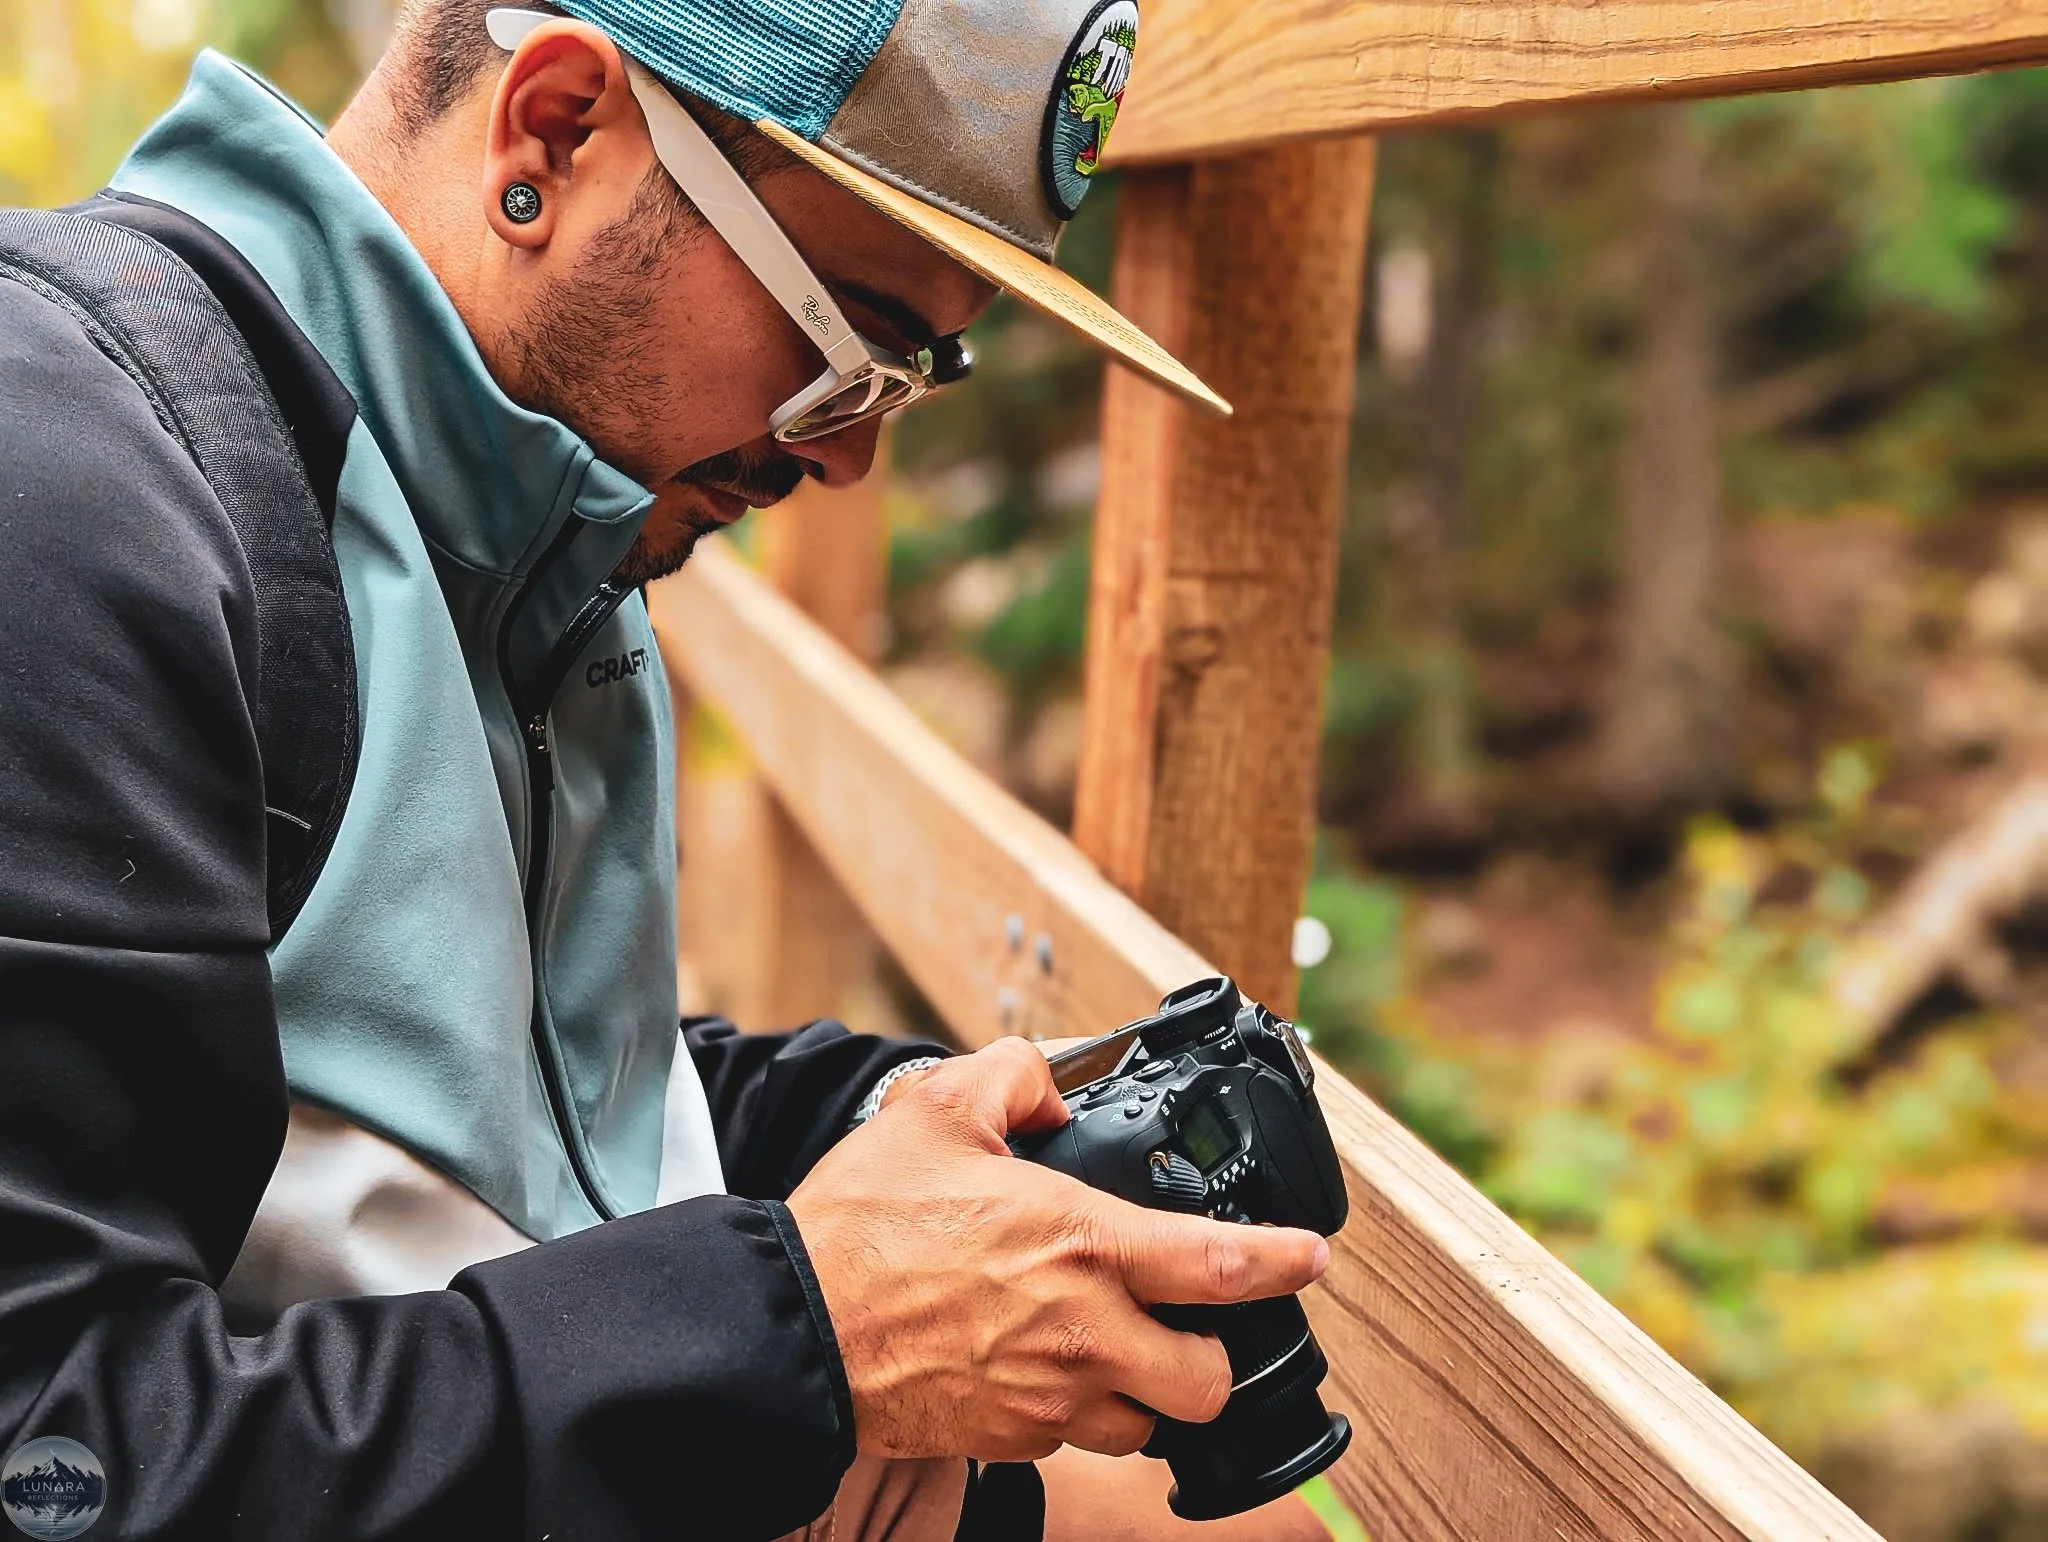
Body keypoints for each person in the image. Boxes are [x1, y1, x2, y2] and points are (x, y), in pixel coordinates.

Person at [0, 1, 1332, 1538]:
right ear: (555, 128)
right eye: (846, 345)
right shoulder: (72, 491)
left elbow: (508, 1118)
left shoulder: (536, 522)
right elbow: (54, 1448)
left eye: (914, 380)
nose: (848, 458)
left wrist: (911, 1132)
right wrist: (812, 1335)